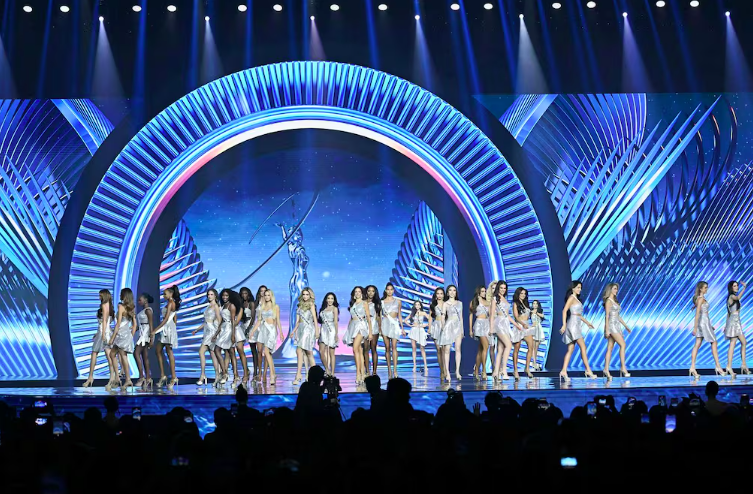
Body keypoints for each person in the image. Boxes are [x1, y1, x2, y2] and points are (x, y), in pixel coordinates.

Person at [559, 280, 597, 382]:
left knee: (570, 349)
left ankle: (563, 371)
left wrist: (587, 323)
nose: (580, 289)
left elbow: (578, 315)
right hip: (573, 325)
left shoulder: (576, 299)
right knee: (583, 347)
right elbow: (564, 310)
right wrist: (564, 325)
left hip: (576, 323)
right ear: (573, 288)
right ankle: (588, 370)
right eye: (578, 287)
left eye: (580, 288)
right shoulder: (571, 298)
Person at [689, 281, 726, 378]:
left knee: (697, 344)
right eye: (705, 287)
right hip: (703, 323)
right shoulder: (700, 299)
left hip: (705, 323)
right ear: (701, 289)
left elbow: (703, 312)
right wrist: (695, 328)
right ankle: (718, 366)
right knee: (714, 342)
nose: (707, 289)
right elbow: (697, 314)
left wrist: (710, 325)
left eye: (707, 287)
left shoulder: (700, 299)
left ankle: (692, 367)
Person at [249, 288, 283, 385]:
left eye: (269, 295)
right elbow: (259, 321)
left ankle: (272, 375)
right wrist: (252, 331)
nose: (267, 297)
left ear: (271, 296)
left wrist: (280, 332)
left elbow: (278, 320)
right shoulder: (262, 307)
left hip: (271, 330)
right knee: (267, 353)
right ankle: (273, 374)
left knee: (267, 352)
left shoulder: (275, 306)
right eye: (266, 295)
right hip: (263, 330)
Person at [83, 289, 114, 388]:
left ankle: (109, 378)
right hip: (102, 332)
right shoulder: (109, 306)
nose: (99, 297)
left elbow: (104, 321)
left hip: (104, 332)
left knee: (105, 355)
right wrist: (98, 333)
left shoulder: (105, 305)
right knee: (98, 354)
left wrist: (103, 334)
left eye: (100, 295)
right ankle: (92, 377)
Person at [152, 285, 181, 388]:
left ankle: (173, 377)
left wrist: (155, 330)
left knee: (169, 351)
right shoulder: (169, 303)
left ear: (171, 294)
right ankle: (163, 375)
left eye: (165, 294)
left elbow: (166, 319)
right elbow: (175, 317)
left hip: (168, 328)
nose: (163, 296)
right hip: (167, 328)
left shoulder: (171, 303)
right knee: (158, 350)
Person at [491, 281, 521, 381]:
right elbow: (492, 315)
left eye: (504, 288)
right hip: (499, 323)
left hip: (505, 324)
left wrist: (516, 324)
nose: (503, 290)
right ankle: (504, 370)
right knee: (509, 345)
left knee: (500, 350)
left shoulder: (505, 299)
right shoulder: (495, 299)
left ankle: (496, 372)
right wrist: (491, 328)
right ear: (498, 288)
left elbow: (507, 316)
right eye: (501, 288)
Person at [602, 283, 632, 380]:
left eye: (617, 289)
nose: (616, 291)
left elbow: (618, 316)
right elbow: (607, 316)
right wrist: (606, 329)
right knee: (623, 345)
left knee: (610, 348)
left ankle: (606, 369)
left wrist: (626, 326)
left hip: (617, 325)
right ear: (610, 289)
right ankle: (623, 367)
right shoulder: (608, 301)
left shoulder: (614, 301)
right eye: (615, 289)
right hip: (611, 325)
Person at [192, 289, 221, 386]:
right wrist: (197, 330)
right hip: (207, 331)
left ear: (215, 296)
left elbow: (219, 321)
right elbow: (206, 322)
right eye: (208, 294)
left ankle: (216, 375)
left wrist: (216, 334)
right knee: (203, 352)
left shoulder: (216, 306)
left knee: (212, 353)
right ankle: (203, 375)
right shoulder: (208, 306)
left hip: (212, 332)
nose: (209, 296)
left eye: (211, 294)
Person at [108, 288, 136, 390]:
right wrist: (131, 336)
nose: (119, 295)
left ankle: (127, 379)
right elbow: (134, 325)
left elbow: (118, 324)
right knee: (113, 354)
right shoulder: (131, 308)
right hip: (126, 335)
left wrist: (112, 338)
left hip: (120, 335)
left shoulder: (121, 307)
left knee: (122, 356)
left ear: (124, 296)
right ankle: (118, 377)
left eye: (121, 294)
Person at [343, 286, 372, 385]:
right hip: (353, 326)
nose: (357, 293)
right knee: (359, 350)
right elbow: (351, 318)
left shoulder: (364, 303)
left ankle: (358, 374)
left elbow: (368, 318)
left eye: (359, 291)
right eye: (356, 292)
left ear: (362, 293)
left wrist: (370, 332)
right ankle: (362, 373)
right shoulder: (353, 304)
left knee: (355, 349)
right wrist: (348, 330)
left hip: (361, 326)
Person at [292, 287, 319, 385]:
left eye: (307, 294)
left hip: (308, 329)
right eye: (304, 294)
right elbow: (297, 321)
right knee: (304, 352)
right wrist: (294, 332)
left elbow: (315, 319)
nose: (305, 296)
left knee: (304, 351)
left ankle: (300, 375)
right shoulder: (299, 306)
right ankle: (308, 374)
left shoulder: (311, 305)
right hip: (300, 329)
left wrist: (317, 331)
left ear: (310, 295)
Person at [437, 285, 463, 382]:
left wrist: (462, 330)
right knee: (447, 349)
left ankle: (457, 371)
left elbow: (461, 317)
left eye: (454, 290)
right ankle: (447, 372)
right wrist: (443, 326)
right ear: (447, 293)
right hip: (449, 326)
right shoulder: (445, 304)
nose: (452, 292)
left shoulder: (460, 303)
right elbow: (443, 316)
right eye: (450, 290)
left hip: (458, 327)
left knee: (458, 349)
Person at [213, 289, 238, 386]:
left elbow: (233, 321)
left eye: (226, 295)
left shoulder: (232, 306)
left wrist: (233, 334)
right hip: (223, 329)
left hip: (229, 329)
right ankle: (225, 372)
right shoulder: (223, 306)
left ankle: (235, 375)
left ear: (229, 296)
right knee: (217, 350)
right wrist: (216, 334)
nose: (224, 297)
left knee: (231, 352)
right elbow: (222, 321)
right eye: (223, 295)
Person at [381, 283, 404, 379]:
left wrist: (402, 328)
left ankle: (395, 370)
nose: (390, 291)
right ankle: (389, 370)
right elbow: (379, 316)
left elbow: (399, 315)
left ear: (393, 290)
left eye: (391, 289)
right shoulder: (382, 302)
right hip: (385, 324)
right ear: (385, 290)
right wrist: (379, 328)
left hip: (394, 324)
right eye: (388, 289)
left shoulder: (398, 301)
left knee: (394, 347)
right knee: (387, 348)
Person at [725, 280, 749, 376]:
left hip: (736, 322)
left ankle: (742, 364)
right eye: (735, 286)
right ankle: (730, 366)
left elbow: (728, 313)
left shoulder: (732, 297)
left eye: (737, 286)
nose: (737, 287)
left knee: (742, 343)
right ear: (731, 288)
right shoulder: (732, 296)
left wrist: (726, 325)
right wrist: (744, 288)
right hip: (734, 322)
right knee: (735, 343)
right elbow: (738, 297)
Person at [512, 287, 535, 379]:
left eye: (524, 294)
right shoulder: (515, 304)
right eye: (521, 293)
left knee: (531, 346)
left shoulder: (526, 303)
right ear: (518, 294)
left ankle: (527, 368)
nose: (523, 295)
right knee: (517, 348)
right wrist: (522, 324)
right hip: (519, 326)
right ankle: (515, 370)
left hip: (526, 326)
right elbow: (516, 317)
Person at [470, 285, 491, 381]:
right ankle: (484, 371)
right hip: (479, 324)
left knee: (481, 349)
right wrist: (470, 330)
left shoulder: (487, 302)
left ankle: (476, 370)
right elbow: (471, 315)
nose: (484, 293)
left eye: (485, 291)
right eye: (482, 291)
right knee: (486, 346)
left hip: (486, 324)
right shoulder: (474, 302)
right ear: (478, 292)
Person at [134, 293, 154, 389]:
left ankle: (141, 377)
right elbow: (140, 325)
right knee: (145, 356)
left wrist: (151, 338)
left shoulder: (148, 310)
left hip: (145, 334)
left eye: (140, 300)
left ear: (145, 300)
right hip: (142, 333)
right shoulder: (143, 311)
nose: (139, 301)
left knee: (136, 353)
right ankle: (148, 378)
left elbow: (151, 325)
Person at [318, 292, 339, 377]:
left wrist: (336, 334)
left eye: (332, 298)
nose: (330, 300)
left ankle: (332, 373)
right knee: (321, 351)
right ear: (326, 299)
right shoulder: (322, 309)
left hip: (331, 330)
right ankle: (327, 369)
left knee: (331, 353)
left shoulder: (335, 309)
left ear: (334, 300)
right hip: (323, 329)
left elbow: (336, 322)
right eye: (328, 298)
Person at [364, 285, 382, 376]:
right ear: (366, 292)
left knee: (373, 348)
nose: (371, 293)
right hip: (364, 326)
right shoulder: (363, 302)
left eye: (373, 291)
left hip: (374, 326)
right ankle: (367, 370)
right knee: (365, 349)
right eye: (369, 291)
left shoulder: (377, 303)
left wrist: (380, 328)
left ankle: (374, 371)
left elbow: (379, 317)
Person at [407, 301, 429, 376]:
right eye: (416, 304)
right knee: (414, 348)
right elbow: (405, 320)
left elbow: (430, 320)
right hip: (414, 330)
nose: (417, 306)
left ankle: (425, 365)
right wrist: (411, 325)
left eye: (418, 304)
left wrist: (424, 325)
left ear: (420, 306)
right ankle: (414, 366)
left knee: (422, 348)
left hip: (421, 330)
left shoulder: (423, 313)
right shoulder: (412, 313)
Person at [428, 287, 446, 379]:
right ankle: (441, 371)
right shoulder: (433, 305)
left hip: (444, 326)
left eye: (441, 293)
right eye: (438, 293)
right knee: (438, 349)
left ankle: (445, 370)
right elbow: (430, 317)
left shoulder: (446, 304)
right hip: (436, 326)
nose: (439, 295)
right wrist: (429, 328)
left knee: (444, 349)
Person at [530, 300, 545, 371]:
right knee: (533, 347)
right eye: (534, 303)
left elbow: (543, 316)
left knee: (536, 347)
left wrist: (536, 313)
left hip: (539, 329)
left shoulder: (540, 311)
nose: (535, 305)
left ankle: (535, 362)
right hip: (533, 329)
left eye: (536, 304)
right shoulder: (530, 312)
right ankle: (534, 362)